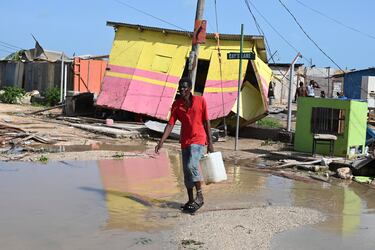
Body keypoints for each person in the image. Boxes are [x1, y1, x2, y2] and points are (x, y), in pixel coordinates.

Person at [155, 77, 214, 213]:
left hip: (198, 139)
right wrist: (161, 141)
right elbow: (170, 124)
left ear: (190, 88)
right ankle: (191, 199)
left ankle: (200, 195)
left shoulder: (200, 101)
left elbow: (206, 122)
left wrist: (210, 143)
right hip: (185, 141)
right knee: (186, 172)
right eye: (180, 87)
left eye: (185, 87)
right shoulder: (177, 105)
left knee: (192, 165)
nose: (182, 89)